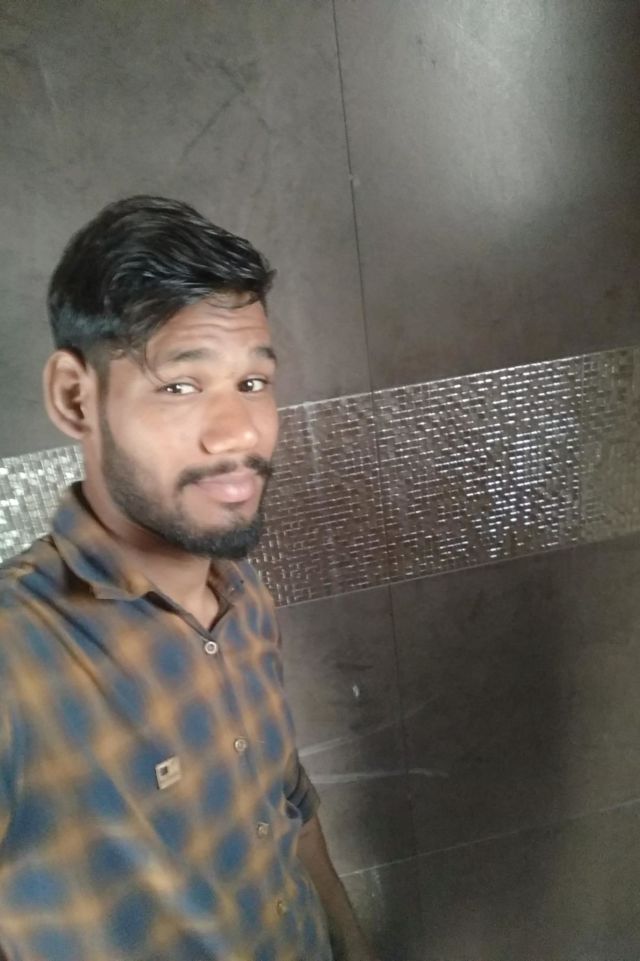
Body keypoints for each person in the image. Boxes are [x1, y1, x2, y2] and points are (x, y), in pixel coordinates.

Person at [0, 197, 378, 961]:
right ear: (76, 397)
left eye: (253, 382)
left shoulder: (243, 596)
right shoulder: (17, 655)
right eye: (180, 385)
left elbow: (288, 806)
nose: (240, 431)